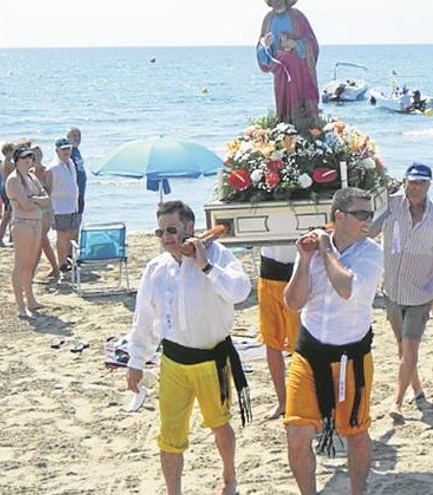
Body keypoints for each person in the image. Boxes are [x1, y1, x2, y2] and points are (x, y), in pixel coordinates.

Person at [126, 200, 251, 495]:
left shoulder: (218, 255)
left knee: (220, 424)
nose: (167, 237)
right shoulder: (156, 268)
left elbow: (240, 291)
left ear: (189, 226)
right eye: (161, 232)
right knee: (169, 436)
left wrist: (204, 264)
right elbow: (143, 317)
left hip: (212, 360)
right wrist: (135, 361)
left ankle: (229, 477)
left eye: (172, 229)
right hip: (173, 362)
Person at [283, 187, 383, 495]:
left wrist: (326, 249)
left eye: (370, 213)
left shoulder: (371, 252)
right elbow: (293, 301)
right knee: (297, 435)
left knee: (355, 432)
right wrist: (303, 258)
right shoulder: (313, 251)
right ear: (338, 216)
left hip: (351, 357)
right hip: (309, 353)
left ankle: (357, 491)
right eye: (361, 214)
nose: (368, 220)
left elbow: (346, 288)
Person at [373, 163, 433, 418]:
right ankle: (417, 387)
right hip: (392, 289)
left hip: (422, 292)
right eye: (411, 182)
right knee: (402, 347)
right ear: (404, 182)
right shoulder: (389, 206)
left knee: (410, 346)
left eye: (421, 183)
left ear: (428, 185)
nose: (415, 188)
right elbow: (368, 227)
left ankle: (397, 402)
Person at [257, 0, 320, 126]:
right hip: (281, 74)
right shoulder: (268, 20)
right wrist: (265, 46)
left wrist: (296, 44)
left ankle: (308, 135)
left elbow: (312, 43)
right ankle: (285, 134)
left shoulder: (298, 17)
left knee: (303, 113)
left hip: (300, 74)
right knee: (283, 109)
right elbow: (261, 51)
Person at [5, 146, 50, 317]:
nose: (28, 160)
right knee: (20, 264)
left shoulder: (31, 176)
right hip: (22, 224)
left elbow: (45, 199)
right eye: (24, 158)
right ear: (17, 160)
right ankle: (20, 305)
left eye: (30, 157)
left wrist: (36, 200)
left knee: (30, 263)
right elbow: (25, 205)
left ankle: (31, 300)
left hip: (35, 222)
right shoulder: (14, 179)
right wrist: (36, 201)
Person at [258, 244, 301, 420]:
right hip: (268, 271)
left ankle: (302, 402)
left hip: (298, 271)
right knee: (270, 340)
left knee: (300, 345)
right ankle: (282, 401)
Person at [46, 138, 80, 272]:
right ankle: (62, 262)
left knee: (72, 234)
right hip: (60, 207)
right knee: (62, 235)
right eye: (64, 149)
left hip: (73, 205)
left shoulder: (71, 163)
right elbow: (48, 190)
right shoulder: (53, 167)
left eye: (68, 148)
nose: (66, 151)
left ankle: (69, 258)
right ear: (57, 151)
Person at [30, 145, 59, 278]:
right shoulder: (29, 172)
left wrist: (35, 197)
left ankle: (31, 272)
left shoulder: (47, 171)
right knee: (43, 241)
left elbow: (49, 193)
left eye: (38, 154)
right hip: (34, 211)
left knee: (40, 239)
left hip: (46, 210)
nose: (36, 157)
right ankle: (55, 268)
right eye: (33, 155)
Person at [0, 142, 15, 247]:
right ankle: (1, 239)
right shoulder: (9, 163)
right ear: (8, 152)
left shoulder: (2, 163)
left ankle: (11, 238)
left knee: (9, 215)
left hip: (4, 188)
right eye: (12, 151)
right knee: (7, 215)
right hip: (8, 189)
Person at [66, 127, 86, 219]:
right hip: (73, 194)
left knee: (79, 217)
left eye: (79, 136)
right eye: (74, 136)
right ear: (68, 137)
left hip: (81, 191)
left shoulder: (77, 151)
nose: (77, 138)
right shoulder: (68, 152)